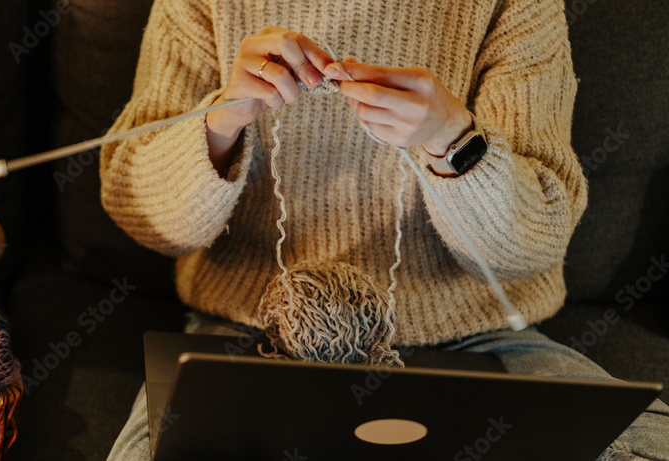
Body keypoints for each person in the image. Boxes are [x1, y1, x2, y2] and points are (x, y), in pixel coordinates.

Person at [99, 0, 669, 459]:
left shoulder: (516, 6)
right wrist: (222, 118)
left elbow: (528, 248)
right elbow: (144, 217)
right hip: (252, 331)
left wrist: (453, 138)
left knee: (638, 447)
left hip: (474, 335)